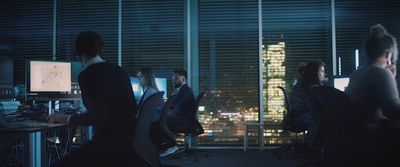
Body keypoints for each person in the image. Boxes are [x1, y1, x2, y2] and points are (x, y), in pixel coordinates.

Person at [50, 31, 149, 167]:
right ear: (99, 50)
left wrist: (66, 118)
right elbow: (131, 107)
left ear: (79, 54)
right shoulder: (119, 70)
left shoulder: (87, 75)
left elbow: (97, 116)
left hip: (108, 145)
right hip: (129, 141)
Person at [345, 24, 400, 166]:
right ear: (388, 54)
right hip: (375, 137)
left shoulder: (357, 72)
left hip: (356, 136)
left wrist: (390, 78)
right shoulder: (381, 73)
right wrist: (388, 76)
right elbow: (393, 111)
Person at [136, 67, 177, 154]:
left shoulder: (150, 93)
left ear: (147, 78)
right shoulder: (151, 91)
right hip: (153, 120)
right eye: (138, 76)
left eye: (141, 77)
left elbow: (143, 110)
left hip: (150, 121)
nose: (138, 79)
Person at [160, 69, 196, 157]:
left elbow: (172, 105)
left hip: (184, 120)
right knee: (162, 119)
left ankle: (171, 145)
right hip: (184, 118)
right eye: (173, 78)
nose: (173, 80)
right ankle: (168, 145)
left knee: (161, 122)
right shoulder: (184, 90)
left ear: (183, 79)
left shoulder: (184, 91)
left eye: (176, 78)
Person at [289, 60, 325, 144]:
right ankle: (311, 145)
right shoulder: (306, 89)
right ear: (314, 74)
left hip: (299, 114)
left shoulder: (302, 84)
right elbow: (313, 109)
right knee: (319, 119)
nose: (324, 74)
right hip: (300, 115)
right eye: (322, 71)